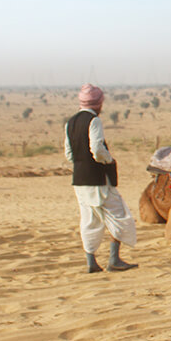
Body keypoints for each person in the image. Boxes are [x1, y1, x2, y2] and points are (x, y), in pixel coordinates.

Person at [64, 84, 138, 273]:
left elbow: (69, 154)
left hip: (79, 180)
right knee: (121, 217)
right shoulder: (93, 121)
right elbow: (96, 149)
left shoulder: (70, 122)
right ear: (99, 103)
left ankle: (92, 263)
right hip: (97, 179)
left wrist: (81, 163)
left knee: (89, 220)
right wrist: (108, 160)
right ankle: (114, 260)